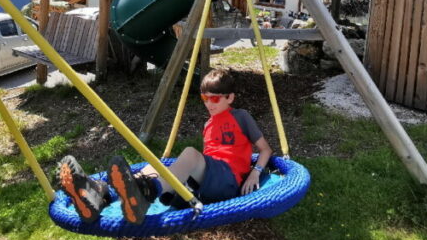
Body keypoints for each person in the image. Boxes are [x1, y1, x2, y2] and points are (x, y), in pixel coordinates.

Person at [57, 68, 273, 225]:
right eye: (204, 98)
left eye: (214, 99)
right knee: (156, 167)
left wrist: (255, 173)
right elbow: (206, 162)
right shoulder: (208, 125)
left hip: (228, 180)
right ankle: (101, 195)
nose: (209, 104)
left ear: (230, 97)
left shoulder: (240, 117)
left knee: (189, 153)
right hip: (208, 184)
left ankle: (146, 194)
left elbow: (265, 149)